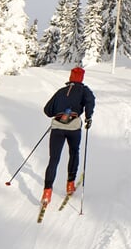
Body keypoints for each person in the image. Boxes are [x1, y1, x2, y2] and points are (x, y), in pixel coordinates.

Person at [40, 66, 95, 206]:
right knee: (74, 153)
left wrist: (60, 111)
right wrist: (88, 118)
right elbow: (90, 101)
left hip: (57, 127)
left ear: (70, 77)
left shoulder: (61, 91)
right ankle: (70, 184)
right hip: (74, 127)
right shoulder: (84, 90)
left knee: (54, 159)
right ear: (81, 78)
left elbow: (47, 110)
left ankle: (47, 192)